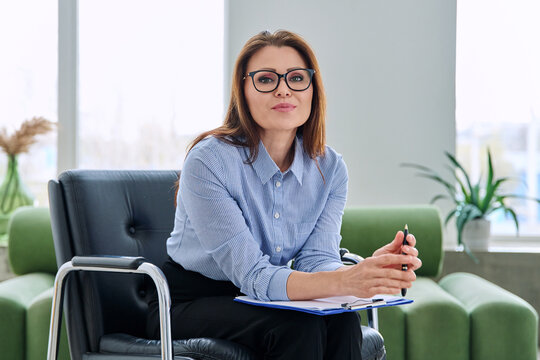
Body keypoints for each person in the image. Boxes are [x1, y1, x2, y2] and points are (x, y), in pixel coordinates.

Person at [147, 30, 421, 359]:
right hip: (189, 302)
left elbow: (316, 261)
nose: (283, 89)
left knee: (344, 320)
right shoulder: (209, 161)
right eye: (266, 79)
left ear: (312, 90)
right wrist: (347, 281)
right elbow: (252, 275)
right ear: (243, 91)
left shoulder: (330, 168)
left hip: (268, 296)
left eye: (296, 78)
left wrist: (368, 271)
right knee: (296, 326)